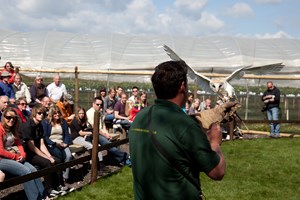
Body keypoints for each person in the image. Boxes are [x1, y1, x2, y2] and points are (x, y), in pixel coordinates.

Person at [129, 61, 229, 199]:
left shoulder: (140, 117)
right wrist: (215, 141)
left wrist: (188, 122)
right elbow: (218, 172)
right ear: (182, 86)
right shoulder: (185, 125)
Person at [0, 107, 49, 200]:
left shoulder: (13, 129)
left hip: (13, 157)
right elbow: (0, 151)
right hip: (2, 159)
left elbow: (19, 145)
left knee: (33, 170)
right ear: (3, 117)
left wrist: (22, 155)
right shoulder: (0, 129)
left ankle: (44, 196)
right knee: (25, 171)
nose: (11, 120)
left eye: (14, 118)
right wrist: (15, 156)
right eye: (8, 117)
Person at [19, 104, 66, 197]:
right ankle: (48, 189)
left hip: (36, 151)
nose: (41, 115)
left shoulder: (40, 126)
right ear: (34, 114)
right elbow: (32, 148)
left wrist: (49, 156)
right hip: (28, 153)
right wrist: (48, 158)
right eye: (39, 113)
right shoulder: (27, 126)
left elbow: (42, 144)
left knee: (56, 160)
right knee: (47, 163)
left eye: (43, 113)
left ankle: (57, 186)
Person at [86, 97, 130, 166]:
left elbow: (103, 124)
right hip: (93, 134)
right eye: (97, 104)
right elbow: (95, 128)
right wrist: (105, 135)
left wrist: (106, 133)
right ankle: (126, 156)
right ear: (93, 104)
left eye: (101, 105)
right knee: (109, 145)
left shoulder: (99, 112)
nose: (99, 106)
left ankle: (120, 160)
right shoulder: (90, 113)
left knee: (114, 142)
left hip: (101, 132)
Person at [42, 105, 72, 183]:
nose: (57, 114)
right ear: (51, 114)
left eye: (58, 112)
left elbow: (66, 134)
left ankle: (65, 176)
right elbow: (45, 136)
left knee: (68, 155)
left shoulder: (63, 122)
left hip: (62, 142)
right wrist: (54, 143)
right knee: (59, 154)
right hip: (52, 144)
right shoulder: (46, 122)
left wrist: (65, 143)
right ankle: (59, 175)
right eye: (55, 113)